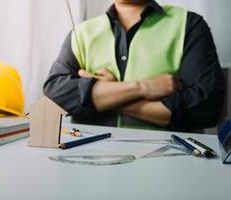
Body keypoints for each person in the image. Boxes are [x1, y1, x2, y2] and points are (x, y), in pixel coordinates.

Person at [44, 0, 225, 131]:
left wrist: (106, 93)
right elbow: (56, 95)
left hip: (168, 167)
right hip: (89, 163)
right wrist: (142, 88)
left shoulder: (189, 25)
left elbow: (206, 109)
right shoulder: (81, 33)